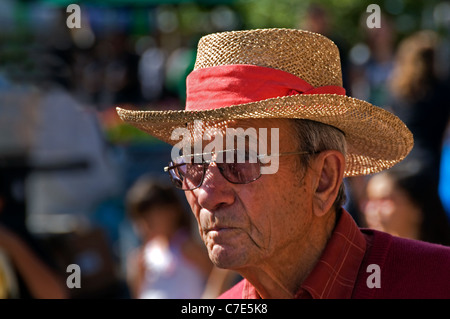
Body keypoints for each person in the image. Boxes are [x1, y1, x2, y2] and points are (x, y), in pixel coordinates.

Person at [117, 29, 450, 299]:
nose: (207, 194)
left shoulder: (437, 282)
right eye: (191, 161)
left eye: (239, 160)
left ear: (324, 178)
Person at [125, 176, 212, 299]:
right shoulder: (142, 257)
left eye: (149, 217)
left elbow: (216, 282)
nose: (145, 225)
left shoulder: (188, 247)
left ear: (172, 212)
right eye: (140, 219)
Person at [362, 167, 450, 245]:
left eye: (384, 200)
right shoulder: (366, 260)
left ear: (417, 209)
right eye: (370, 200)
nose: (371, 209)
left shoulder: (443, 260)